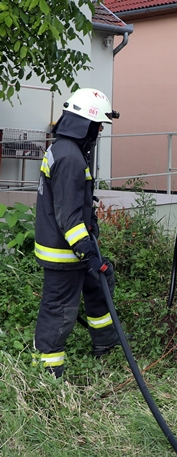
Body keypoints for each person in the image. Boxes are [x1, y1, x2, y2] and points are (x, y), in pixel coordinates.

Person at [33, 87, 120, 378]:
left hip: (71, 247)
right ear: (87, 125)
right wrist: (87, 251)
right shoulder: (70, 158)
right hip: (65, 251)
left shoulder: (65, 149)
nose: (99, 133)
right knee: (59, 310)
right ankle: (47, 371)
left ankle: (105, 343)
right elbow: (68, 217)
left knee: (100, 284)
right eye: (98, 126)